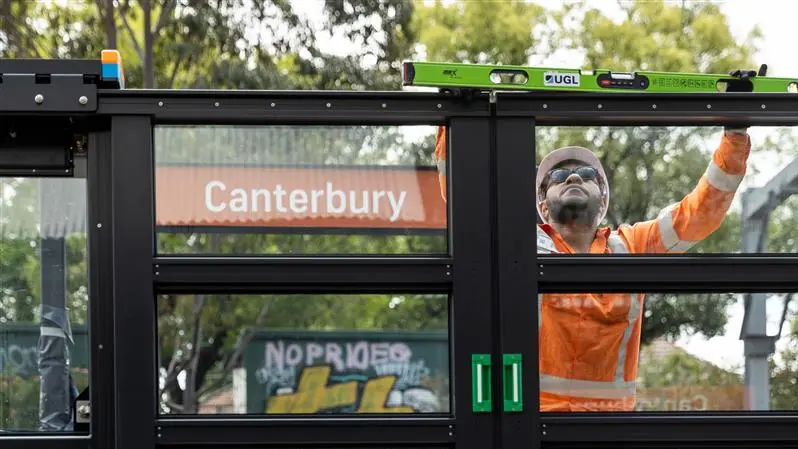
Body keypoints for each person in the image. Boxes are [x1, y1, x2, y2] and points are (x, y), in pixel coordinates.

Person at [433, 125, 751, 411]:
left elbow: (698, 214)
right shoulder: (518, 246)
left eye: (586, 174)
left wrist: (735, 138)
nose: (573, 178)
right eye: (558, 177)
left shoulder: (632, 245)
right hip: (533, 424)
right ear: (542, 206)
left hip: (607, 430)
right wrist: (453, 114)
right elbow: (466, 202)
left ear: (602, 202)